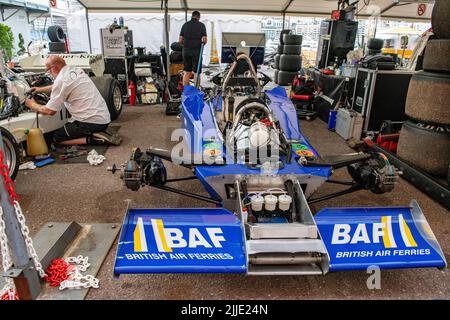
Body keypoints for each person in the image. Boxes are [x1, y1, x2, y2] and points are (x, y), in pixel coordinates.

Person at [24, 55, 120, 146]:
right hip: (104, 118)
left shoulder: (61, 80)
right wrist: (40, 89)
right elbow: (63, 85)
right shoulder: (75, 70)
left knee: (56, 137)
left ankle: (93, 139)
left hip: (91, 123)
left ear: (54, 68)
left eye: (48, 70)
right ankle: (95, 132)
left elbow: (50, 111)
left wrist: (32, 104)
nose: (49, 73)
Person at [179, 11, 207, 86]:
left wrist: (186, 45)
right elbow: (204, 40)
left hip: (186, 51)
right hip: (197, 51)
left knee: (187, 71)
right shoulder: (201, 25)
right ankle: (196, 90)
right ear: (199, 17)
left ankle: (186, 91)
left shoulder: (185, 25)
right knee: (196, 72)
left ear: (192, 16)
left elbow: (180, 40)